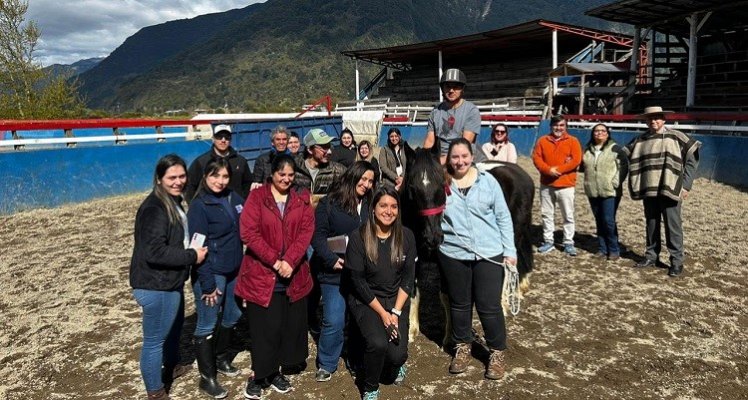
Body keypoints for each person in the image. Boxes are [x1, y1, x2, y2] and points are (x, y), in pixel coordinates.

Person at [234, 154, 315, 399]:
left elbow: (306, 231)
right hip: (262, 275)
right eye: (282, 175)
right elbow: (248, 232)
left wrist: (290, 260)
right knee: (263, 328)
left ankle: (276, 370)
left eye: (291, 175)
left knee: (285, 327)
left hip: (292, 274)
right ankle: (259, 374)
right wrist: (275, 260)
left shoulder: (300, 200)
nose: (287, 180)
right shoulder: (257, 197)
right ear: (272, 174)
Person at [130, 154, 208, 400]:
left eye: (182, 176)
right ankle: (155, 392)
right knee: (154, 340)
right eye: (171, 177)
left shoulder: (172, 200)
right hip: (156, 284)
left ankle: (172, 365)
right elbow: (154, 252)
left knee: (174, 328)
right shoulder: (154, 208)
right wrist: (191, 256)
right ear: (159, 179)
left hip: (169, 281)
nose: (178, 181)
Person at [438, 138, 516, 381]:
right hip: (453, 252)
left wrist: (509, 250)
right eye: (455, 157)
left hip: (488, 252)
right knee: (459, 304)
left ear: (472, 156)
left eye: (464, 156)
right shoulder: (441, 183)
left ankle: (496, 352)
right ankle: (462, 346)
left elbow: (503, 216)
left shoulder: (488, 181)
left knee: (488, 305)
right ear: (448, 159)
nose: (460, 161)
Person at [343, 186, 416, 400]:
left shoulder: (407, 236)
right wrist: (383, 315)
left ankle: (396, 364)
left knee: (397, 354)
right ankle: (370, 386)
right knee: (377, 343)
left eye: (394, 206)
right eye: (383, 205)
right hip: (366, 299)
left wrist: (395, 312)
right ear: (373, 208)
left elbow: (408, 279)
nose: (388, 211)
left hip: (396, 300)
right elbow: (357, 281)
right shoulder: (359, 237)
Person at [311, 161, 377, 382]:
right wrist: (331, 260)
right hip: (334, 273)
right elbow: (318, 236)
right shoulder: (330, 203)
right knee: (334, 318)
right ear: (353, 176)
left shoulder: (370, 204)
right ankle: (327, 362)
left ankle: (355, 356)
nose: (366, 184)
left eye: (370, 181)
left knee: (360, 319)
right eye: (363, 179)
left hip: (361, 273)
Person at [187, 158, 245, 398]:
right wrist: (207, 284)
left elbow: (249, 219)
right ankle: (207, 377)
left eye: (224, 176)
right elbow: (197, 248)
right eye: (215, 176)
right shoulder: (199, 206)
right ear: (205, 177)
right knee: (207, 322)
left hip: (234, 268)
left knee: (233, 314)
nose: (220, 181)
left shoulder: (233, 197)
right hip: (213, 271)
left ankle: (221, 357)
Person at [623, 106, 701, 277]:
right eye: (650, 118)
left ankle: (676, 261)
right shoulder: (640, 140)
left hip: (670, 188)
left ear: (664, 119)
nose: (653, 121)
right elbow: (623, 155)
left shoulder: (676, 137)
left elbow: (693, 158)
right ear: (645, 121)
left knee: (673, 226)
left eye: (657, 118)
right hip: (649, 189)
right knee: (651, 223)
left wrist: (686, 185)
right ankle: (651, 256)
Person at [532, 115, 583, 256]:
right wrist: (548, 170)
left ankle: (568, 242)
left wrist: (558, 170)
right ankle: (548, 241)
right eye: (556, 125)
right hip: (547, 184)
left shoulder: (573, 141)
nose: (558, 128)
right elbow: (536, 158)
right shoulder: (543, 140)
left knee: (568, 215)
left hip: (566, 185)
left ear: (565, 126)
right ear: (551, 126)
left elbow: (576, 160)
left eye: (561, 125)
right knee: (547, 214)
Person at [580, 124, 628, 261]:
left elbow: (623, 166)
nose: (599, 133)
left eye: (603, 131)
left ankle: (614, 249)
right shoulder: (588, 150)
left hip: (610, 191)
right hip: (592, 190)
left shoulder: (615, 149)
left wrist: (616, 182)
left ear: (607, 134)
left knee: (608, 220)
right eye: (596, 131)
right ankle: (602, 248)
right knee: (599, 220)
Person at [423, 68, 482, 164]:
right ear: (442, 88)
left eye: (456, 87)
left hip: (464, 160)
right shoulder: (435, 111)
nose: (451, 90)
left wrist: (441, 162)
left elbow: (464, 145)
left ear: (462, 89)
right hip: (440, 159)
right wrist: (423, 160)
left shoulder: (471, 111)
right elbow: (429, 141)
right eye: (447, 86)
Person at [185, 124, 252, 202]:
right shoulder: (201, 161)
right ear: (213, 139)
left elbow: (247, 183)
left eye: (227, 137)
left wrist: (241, 201)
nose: (223, 140)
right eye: (219, 136)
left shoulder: (241, 161)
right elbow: (190, 186)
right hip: (210, 208)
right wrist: (195, 205)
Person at [294, 128, 347, 196]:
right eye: (324, 147)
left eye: (329, 146)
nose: (329, 152)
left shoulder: (337, 171)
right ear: (310, 149)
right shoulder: (294, 168)